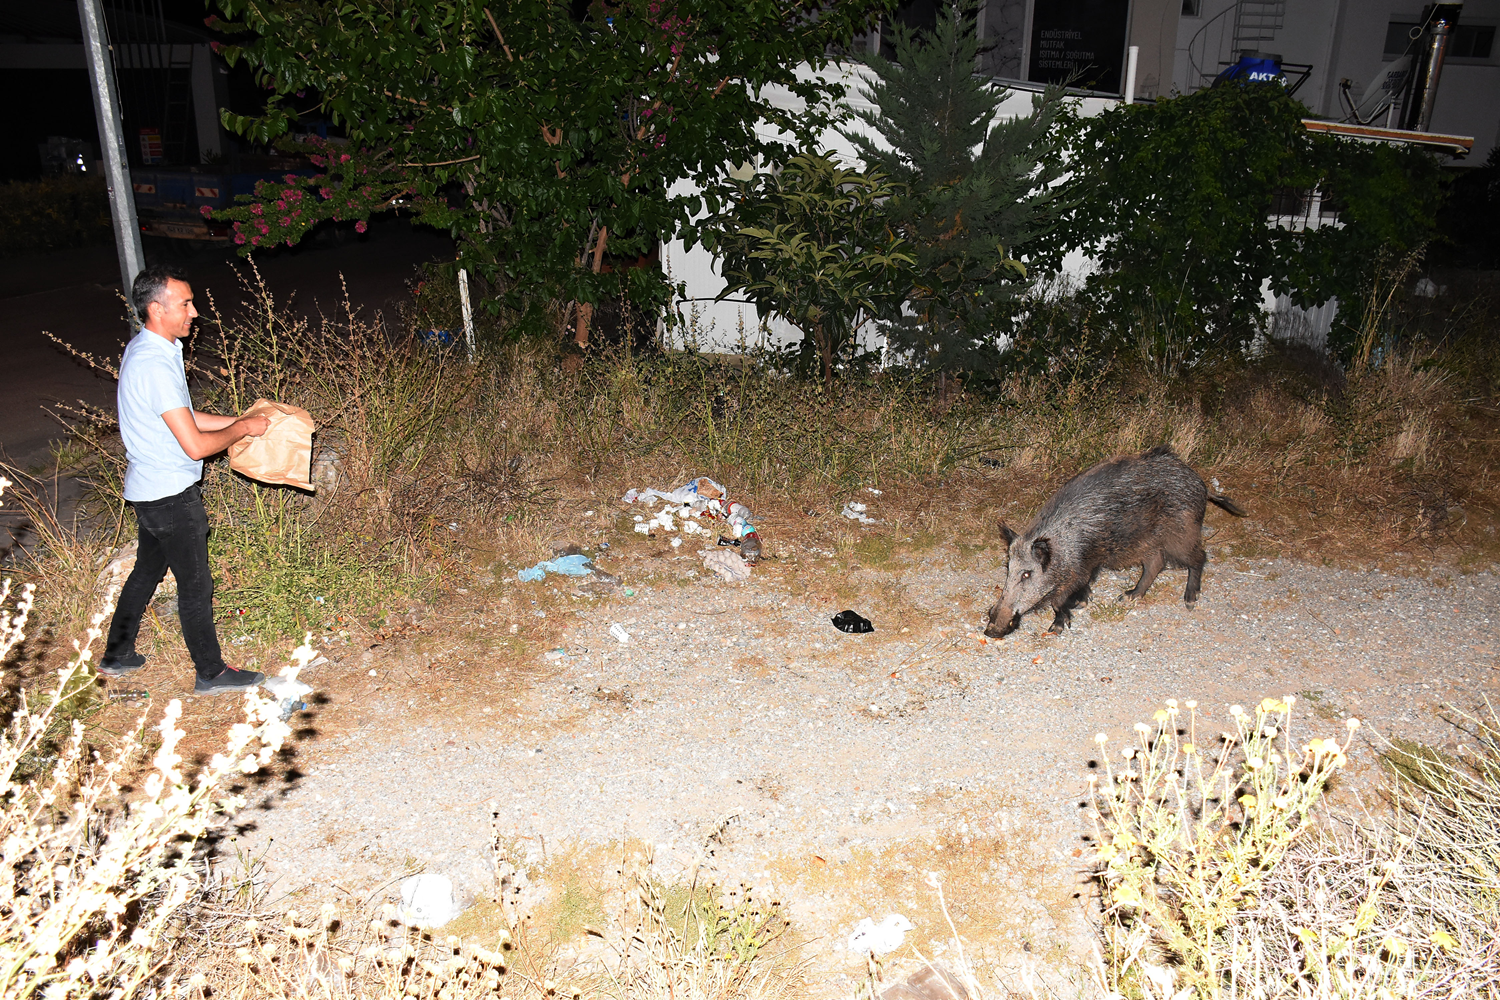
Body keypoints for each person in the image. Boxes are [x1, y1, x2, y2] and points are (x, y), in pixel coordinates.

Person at [99, 264, 271, 694]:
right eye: (186, 304)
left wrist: (241, 419)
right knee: (196, 583)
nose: (194, 312)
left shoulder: (150, 348)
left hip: (149, 489)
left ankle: (117, 653)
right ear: (156, 309)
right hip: (170, 494)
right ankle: (210, 672)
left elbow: (181, 418)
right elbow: (194, 445)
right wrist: (241, 431)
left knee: (146, 571)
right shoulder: (154, 363)